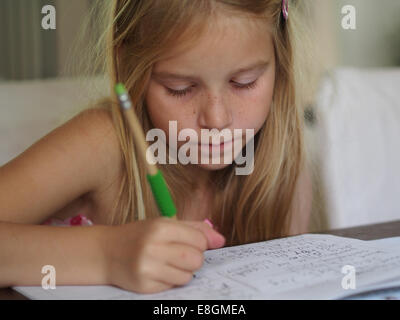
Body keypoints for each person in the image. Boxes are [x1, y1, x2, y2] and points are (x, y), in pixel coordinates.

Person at [0, 0, 312, 294]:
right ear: (128, 67)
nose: (216, 119)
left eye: (244, 82)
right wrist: (107, 256)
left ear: (279, 61)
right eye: (180, 88)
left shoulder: (282, 168)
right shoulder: (101, 143)